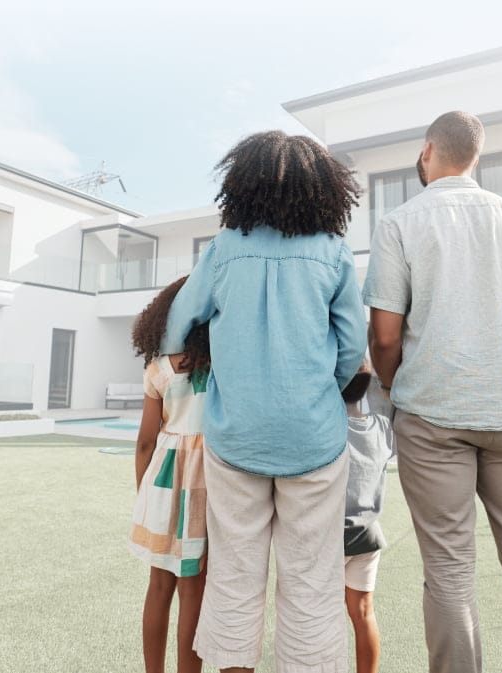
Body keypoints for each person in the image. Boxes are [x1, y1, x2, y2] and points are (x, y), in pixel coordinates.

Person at [364, 111, 502, 673]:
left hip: (431, 417)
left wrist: (393, 386)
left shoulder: (400, 224)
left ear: (427, 151)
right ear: (476, 157)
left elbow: (384, 337)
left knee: (450, 573)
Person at [160, 130, 366, 673]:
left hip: (236, 437)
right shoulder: (333, 251)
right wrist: (320, 389)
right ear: (322, 187)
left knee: (233, 577)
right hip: (315, 440)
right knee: (312, 581)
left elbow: (178, 323)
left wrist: (196, 358)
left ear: (242, 183)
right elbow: (352, 346)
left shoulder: (225, 248)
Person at [128, 276, 211, 673]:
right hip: (206, 482)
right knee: (194, 589)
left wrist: (144, 495)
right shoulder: (222, 368)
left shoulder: (159, 370)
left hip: (161, 481)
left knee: (159, 586)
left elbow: (146, 442)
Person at [340, 360, 395, 673]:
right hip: (369, 535)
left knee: (322, 616)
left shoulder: (329, 428)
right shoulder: (382, 428)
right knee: (363, 613)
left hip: (333, 536)